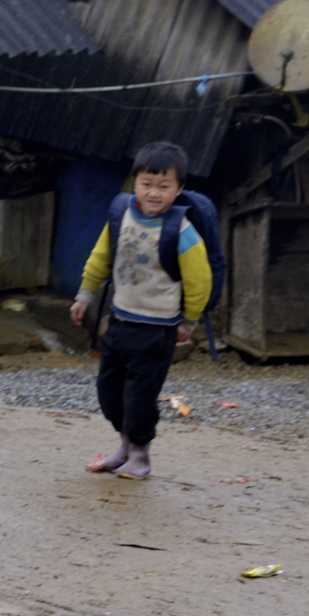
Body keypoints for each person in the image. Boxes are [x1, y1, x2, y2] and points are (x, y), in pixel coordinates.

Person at [67, 141, 212, 480]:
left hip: (156, 331)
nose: (154, 193)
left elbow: (199, 280)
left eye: (164, 186)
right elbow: (101, 257)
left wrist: (189, 320)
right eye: (147, 184)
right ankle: (124, 446)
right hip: (119, 322)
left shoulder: (182, 231)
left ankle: (141, 457)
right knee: (109, 393)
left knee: (140, 398)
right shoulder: (121, 218)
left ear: (179, 189)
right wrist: (84, 296)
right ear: (135, 182)